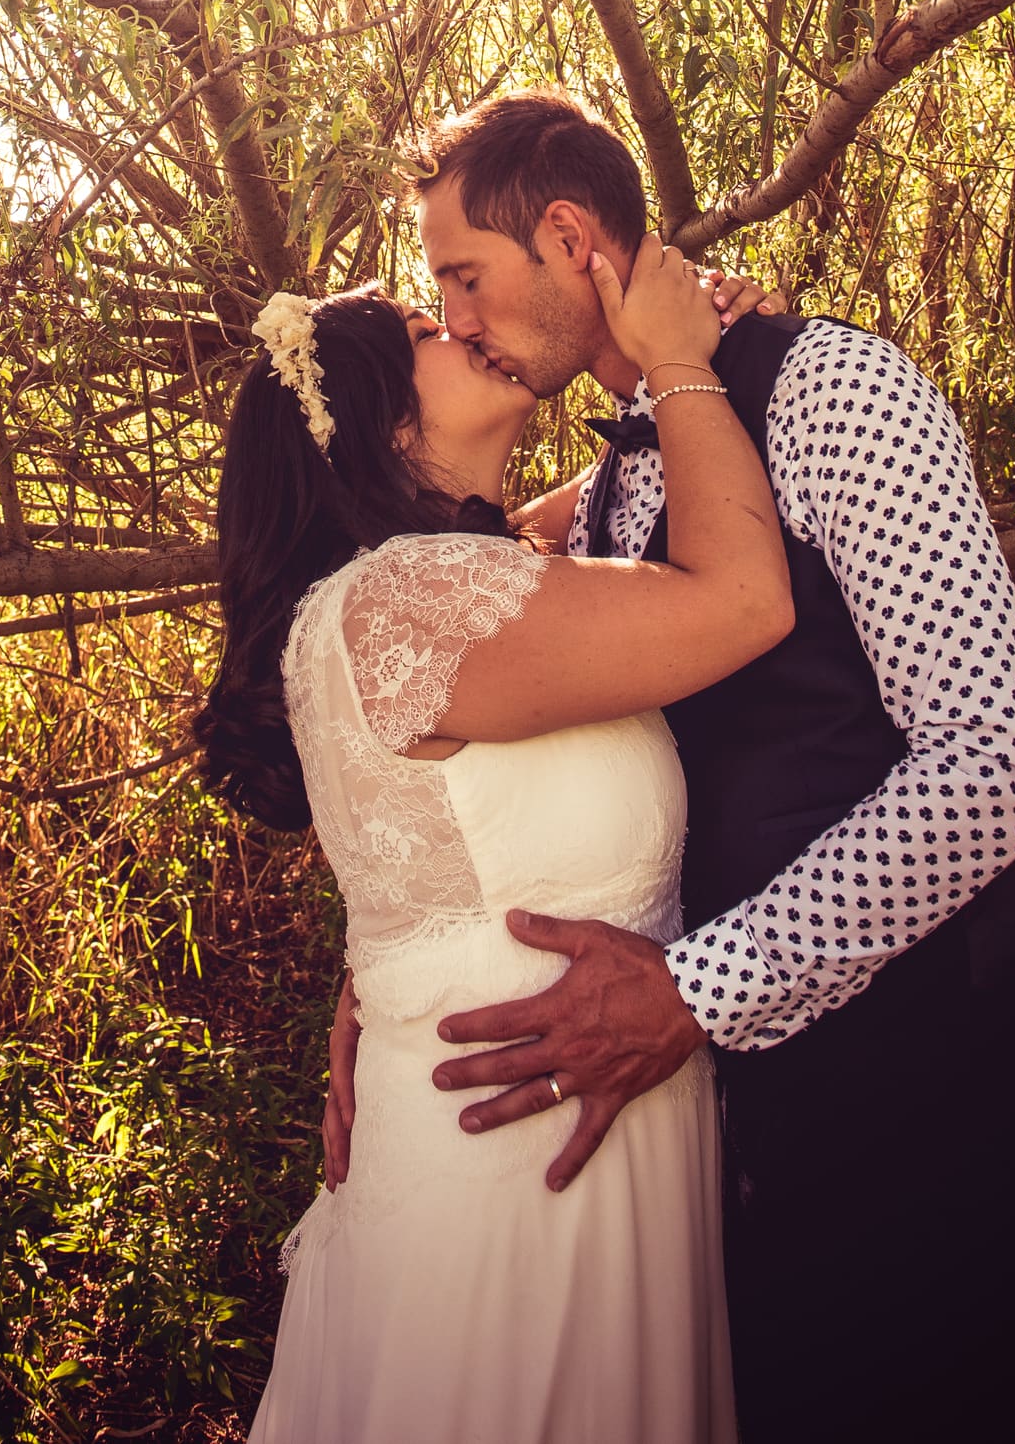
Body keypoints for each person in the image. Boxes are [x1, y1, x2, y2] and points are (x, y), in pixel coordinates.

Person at [341, 88, 1015, 1444]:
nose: (449, 318)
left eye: (461, 276)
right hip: (734, 1146)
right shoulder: (612, 478)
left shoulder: (838, 395)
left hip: (938, 1114)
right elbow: (462, 734)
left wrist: (700, 988)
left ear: (570, 237)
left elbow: (994, 765)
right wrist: (390, 969)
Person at [194, 243, 793, 1444]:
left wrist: (678, 356)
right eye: (426, 324)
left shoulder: (463, 582)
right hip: (515, 1188)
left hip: (553, 1137)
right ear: (376, 420)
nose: (462, 321)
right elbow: (744, 601)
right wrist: (679, 364)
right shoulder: (410, 602)